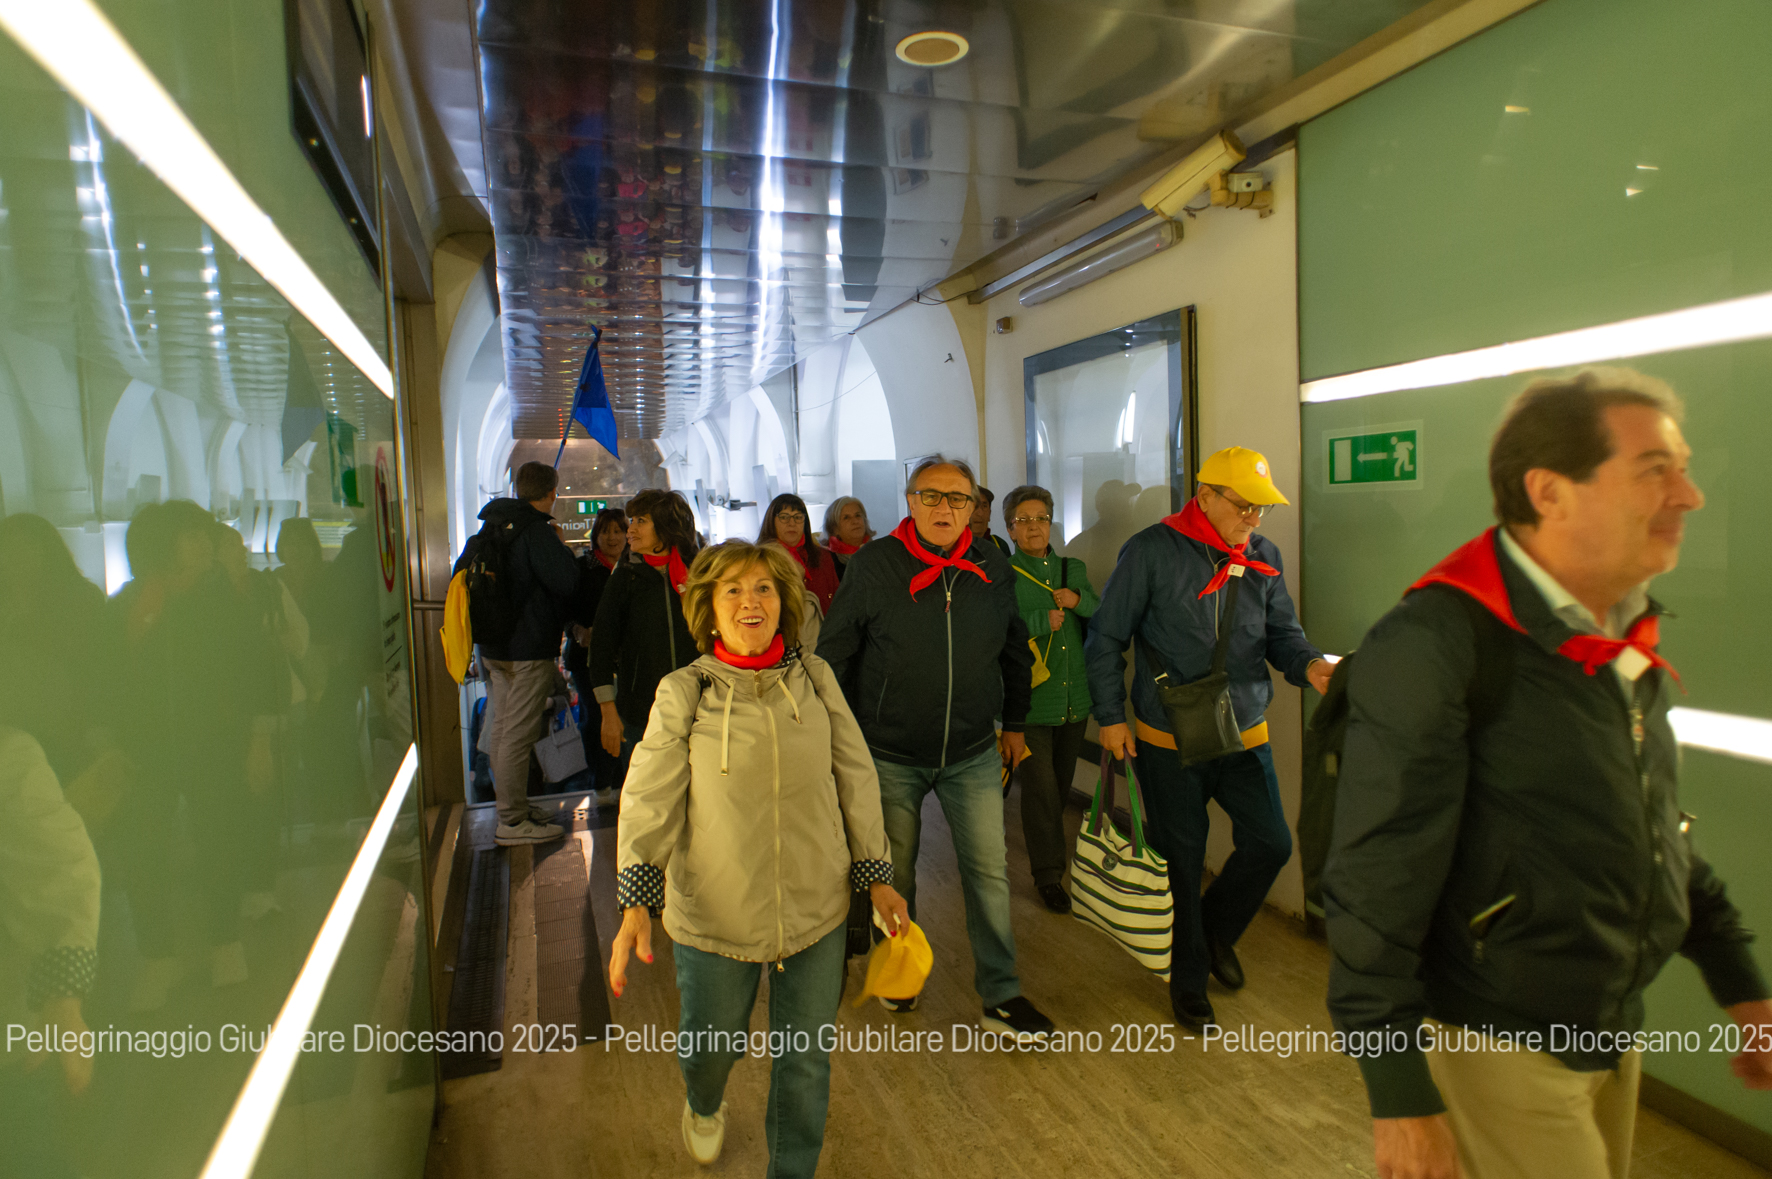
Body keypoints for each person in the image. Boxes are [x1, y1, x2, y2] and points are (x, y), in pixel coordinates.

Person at [1323, 370, 1772, 1179]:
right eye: (1655, 470)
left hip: (1609, 1023)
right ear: (1549, 491)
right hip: (1499, 1038)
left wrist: (1738, 978)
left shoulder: (1617, 630)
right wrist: (1397, 1089)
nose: (1691, 495)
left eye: (1682, 468)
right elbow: (1376, 873)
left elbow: (1648, 823)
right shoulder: (1441, 641)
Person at [608, 541, 908, 1176]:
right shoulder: (684, 690)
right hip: (717, 915)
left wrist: (876, 874)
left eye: (765, 588)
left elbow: (855, 775)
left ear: (785, 603)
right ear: (710, 609)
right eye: (734, 590)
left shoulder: (816, 679)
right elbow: (649, 794)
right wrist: (637, 900)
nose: (751, 601)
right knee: (711, 1047)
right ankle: (704, 1101)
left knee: (805, 1061)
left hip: (815, 909)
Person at [1087, 447, 1332, 1031]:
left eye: (1261, 508)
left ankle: (1215, 934)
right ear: (1205, 496)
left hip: (1244, 733)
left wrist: (1312, 666)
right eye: (1243, 505)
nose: (1253, 518)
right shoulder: (1151, 550)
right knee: (1183, 859)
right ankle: (1188, 979)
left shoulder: (1263, 556)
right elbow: (1106, 637)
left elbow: (1283, 636)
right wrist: (1111, 717)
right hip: (1168, 737)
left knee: (1271, 843)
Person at [817, 455, 1054, 1038]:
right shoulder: (875, 565)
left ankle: (1001, 994)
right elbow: (834, 656)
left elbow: (1014, 649)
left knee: (989, 874)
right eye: (931, 496)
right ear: (910, 502)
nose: (944, 508)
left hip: (971, 751)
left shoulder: (991, 565)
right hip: (889, 754)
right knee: (894, 875)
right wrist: (835, 742)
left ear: (973, 508)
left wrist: (1015, 724)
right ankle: (899, 974)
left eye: (958, 498)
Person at [455, 461, 581, 846]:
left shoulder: (492, 526)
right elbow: (566, 581)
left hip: (493, 647)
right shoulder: (534, 530)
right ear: (551, 492)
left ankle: (512, 808)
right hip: (527, 649)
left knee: (500, 729)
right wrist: (562, 550)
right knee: (517, 735)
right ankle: (511, 821)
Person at [1003, 485, 1099, 914]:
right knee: (1040, 791)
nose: (1033, 527)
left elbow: (1102, 613)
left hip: (1074, 700)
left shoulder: (1070, 568)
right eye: (1023, 521)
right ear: (1010, 529)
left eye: (1040, 518)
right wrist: (1040, 620)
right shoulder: (1003, 575)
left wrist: (1078, 601)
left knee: (1058, 788)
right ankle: (1048, 876)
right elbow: (997, 629)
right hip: (1030, 705)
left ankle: (1050, 853)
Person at [589, 489, 699, 768]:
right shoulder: (626, 576)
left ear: (665, 526)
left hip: (698, 706)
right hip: (641, 711)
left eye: (641, 521)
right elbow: (602, 643)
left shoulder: (698, 573)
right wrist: (608, 710)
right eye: (632, 521)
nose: (630, 530)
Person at [565, 507, 628, 804]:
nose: (612, 537)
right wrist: (577, 630)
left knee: (626, 717)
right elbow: (565, 610)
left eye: (618, 530)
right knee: (595, 718)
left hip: (625, 660)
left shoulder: (633, 566)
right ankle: (602, 783)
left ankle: (625, 780)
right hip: (587, 659)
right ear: (596, 536)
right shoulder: (582, 568)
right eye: (605, 531)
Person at [758, 492, 840, 614]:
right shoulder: (760, 560)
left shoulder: (823, 556)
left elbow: (838, 602)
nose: (792, 523)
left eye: (798, 517)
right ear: (771, 521)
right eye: (784, 517)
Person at [821, 495, 873, 575]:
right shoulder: (827, 561)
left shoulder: (877, 551)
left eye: (858, 515)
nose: (855, 521)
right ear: (834, 528)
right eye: (846, 518)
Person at [970, 485, 1011, 555]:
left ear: (989, 513)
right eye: (974, 506)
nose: (980, 513)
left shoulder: (1000, 545)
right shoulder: (952, 546)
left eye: (984, 506)